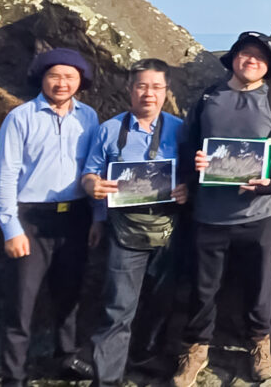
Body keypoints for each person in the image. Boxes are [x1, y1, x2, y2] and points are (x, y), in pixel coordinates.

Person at [172, 32, 271, 387]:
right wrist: (194, 166)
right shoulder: (209, 98)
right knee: (203, 287)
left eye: (260, 57)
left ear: (268, 66)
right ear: (233, 58)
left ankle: (260, 344)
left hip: (262, 213)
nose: (252, 60)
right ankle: (196, 348)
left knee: (260, 286)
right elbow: (187, 144)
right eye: (246, 53)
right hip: (210, 213)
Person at [0, 48, 99, 387]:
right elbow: (5, 176)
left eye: (70, 77)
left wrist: (98, 218)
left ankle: (66, 357)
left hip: (75, 217)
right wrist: (11, 228)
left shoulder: (89, 117)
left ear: (80, 81)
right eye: (55, 76)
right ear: (42, 78)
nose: (62, 83)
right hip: (31, 220)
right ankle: (14, 376)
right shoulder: (20, 117)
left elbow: (94, 168)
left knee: (70, 294)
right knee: (21, 302)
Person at [81, 58, 189, 387]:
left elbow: (194, 172)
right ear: (130, 90)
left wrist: (187, 189)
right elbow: (90, 173)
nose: (148, 94)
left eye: (156, 87)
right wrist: (93, 189)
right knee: (118, 305)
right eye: (141, 86)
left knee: (162, 300)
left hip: (169, 229)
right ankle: (108, 378)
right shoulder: (109, 130)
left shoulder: (181, 129)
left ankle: (144, 355)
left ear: (167, 91)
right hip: (123, 230)